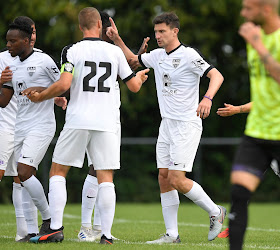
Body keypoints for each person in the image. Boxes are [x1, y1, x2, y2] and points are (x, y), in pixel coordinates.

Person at [23, 7, 149, 244]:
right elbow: (133, 87)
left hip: (78, 118)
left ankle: (56, 229)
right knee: (106, 177)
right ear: (100, 26)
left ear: (80, 27)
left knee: (58, 172)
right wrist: (140, 78)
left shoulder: (72, 50)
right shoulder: (114, 52)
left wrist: (41, 96)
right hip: (106, 122)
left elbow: (64, 84)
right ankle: (107, 236)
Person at [106, 12, 226, 243]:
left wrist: (207, 98)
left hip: (186, 125)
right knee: (163, 177)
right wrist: (117, 40)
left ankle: (215, 211)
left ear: (175, 31)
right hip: (167, 125)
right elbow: (132, 60)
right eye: (156, 31)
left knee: (177, 179)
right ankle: (172, 234)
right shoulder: (158, 55)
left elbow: (217, 76)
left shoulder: (189, 55)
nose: (158, 35)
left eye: (162, 31)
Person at [227, 0, 280, 249]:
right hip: (256, 133)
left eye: (248, 8)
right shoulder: (254, 37)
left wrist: (257, 44)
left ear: (266, 9)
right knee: (238, 194)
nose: (243, 14)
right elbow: (263, 93)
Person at [78, 11, 149, 242]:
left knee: (102, 171)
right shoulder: (109, 51)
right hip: (102, 118)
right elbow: (132, 78)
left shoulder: (99, 51)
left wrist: (137, 56)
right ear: (102, 26)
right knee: (97, 171)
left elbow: (129, 65)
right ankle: (86, 227)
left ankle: (96, 228)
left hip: (95, 117)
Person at [0, 18, 65, 242]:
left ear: (26, 41)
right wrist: (1, 82)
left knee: (25, 171)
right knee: (22, 177)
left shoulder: (44, 60)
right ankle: (30, 231)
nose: (8, 45)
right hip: (20, 126)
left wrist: (49, 93)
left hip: (42, 125)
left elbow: (65, 85)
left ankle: (50, 221)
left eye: (12, 41)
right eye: (7, 41)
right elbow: (3, 101)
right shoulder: (11, 65)